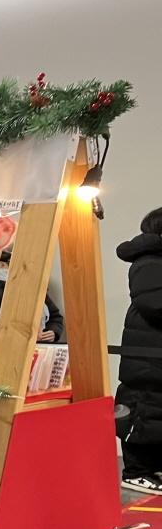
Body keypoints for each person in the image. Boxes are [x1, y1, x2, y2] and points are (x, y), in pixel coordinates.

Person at [116, 208, 162, 494]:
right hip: (147, 359)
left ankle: (150, 469)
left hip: (151, 355)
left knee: (155, 413)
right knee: (143, 411)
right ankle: (136, 472)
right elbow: (155, 305)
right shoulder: (148, 262)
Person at [0, 250, 65, 343]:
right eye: (0, 266)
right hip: (11, 346)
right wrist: (23, 335)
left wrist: (53, 332)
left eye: (5, 265)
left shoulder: (33, 287)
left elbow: (55, 316)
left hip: (40, 345)